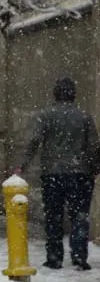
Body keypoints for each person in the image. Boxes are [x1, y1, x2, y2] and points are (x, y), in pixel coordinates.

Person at [19, 77, 100, 271]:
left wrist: (23, 165)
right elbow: (94, 146)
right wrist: (94, 167)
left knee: (53, 215)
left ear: (55, 94)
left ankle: (54, 257)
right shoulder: (84, 117)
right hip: (80, 174)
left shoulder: (46, 116)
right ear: (73, 95)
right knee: (79, 215)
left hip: (52, 174)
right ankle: (79, 256)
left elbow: (34, 141)